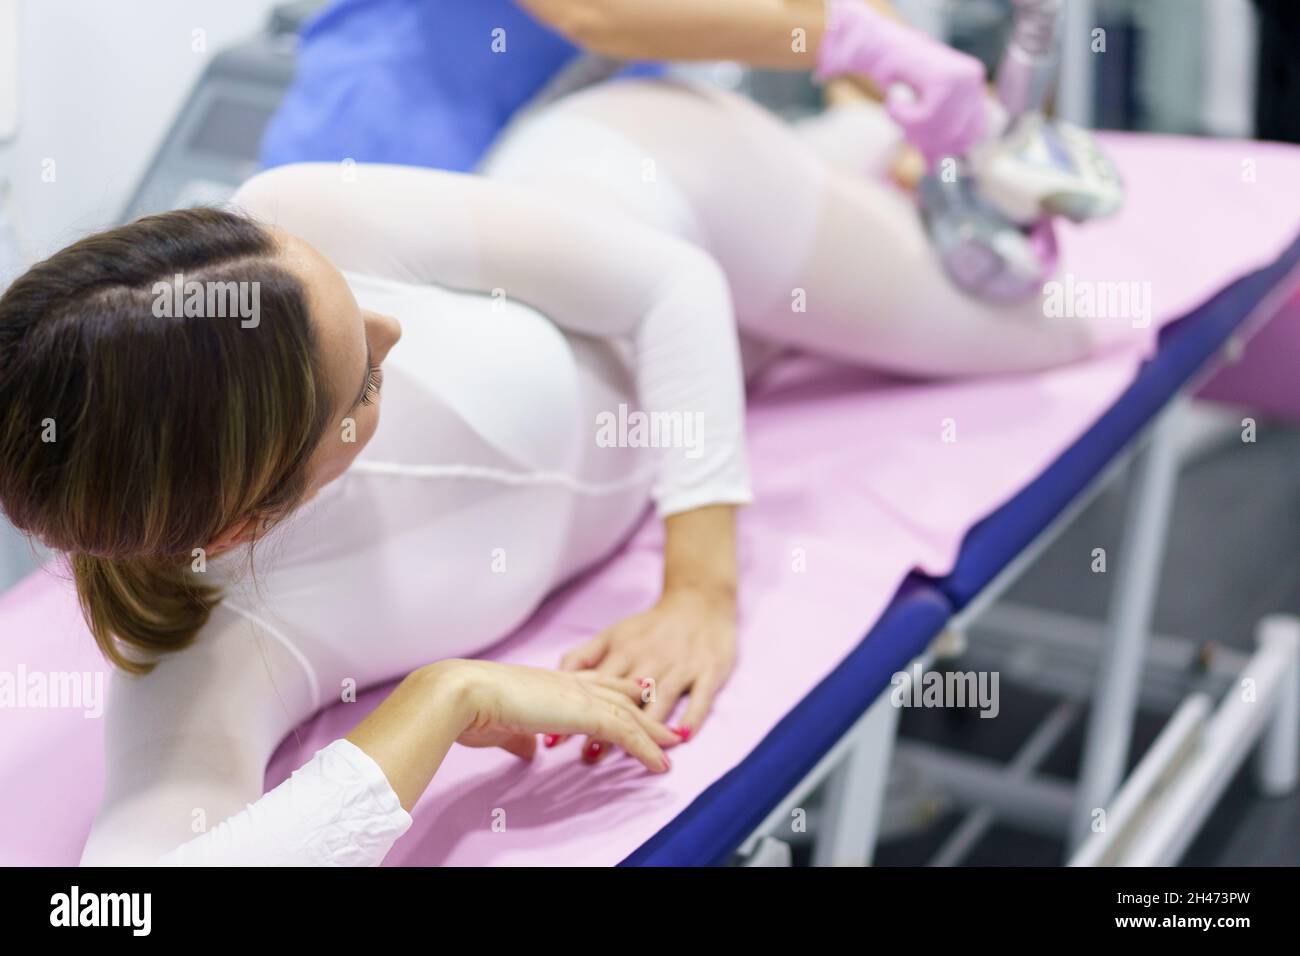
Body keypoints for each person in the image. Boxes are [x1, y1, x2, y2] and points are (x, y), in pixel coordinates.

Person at [0, 32, 1106, 869]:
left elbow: (672, 289)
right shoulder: (203, 656)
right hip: (701, 354)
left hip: (660, 194)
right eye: (365, 380)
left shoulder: (293, 212)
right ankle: (862, 144)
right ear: (247, 519)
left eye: (357, 308)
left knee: (1064, 321)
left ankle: (878, 126)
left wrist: (701, 588)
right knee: (877, 276)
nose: (391, 329)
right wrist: (436, 704)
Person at [262, 0, 989, 173]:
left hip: (553, 179)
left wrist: (906, 115)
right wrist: (851, 40)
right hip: (376, 159)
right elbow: (597, 11)